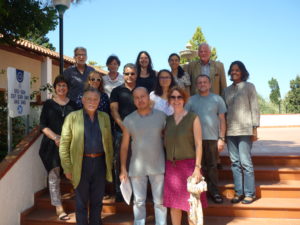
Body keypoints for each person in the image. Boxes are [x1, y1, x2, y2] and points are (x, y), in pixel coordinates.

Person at [59, 87, 113, 225]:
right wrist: (67, 168)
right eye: (88, 99)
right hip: (81, 163)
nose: (92, 102)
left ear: (99, 101)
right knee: (81, 202)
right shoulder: (72, 117)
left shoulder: (105, 117)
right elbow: (64, 145)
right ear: (82, 100)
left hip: (100, 163)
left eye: (95, 99)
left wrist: (110, 165)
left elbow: (109, 143)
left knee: (97, 201)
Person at [119, 87, 167, 225]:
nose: (140, 100)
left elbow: (169, 139)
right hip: (137, 167)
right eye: (137, 97)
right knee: (138, 202)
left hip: (158, 165)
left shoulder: (161, 116)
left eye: (143, 96)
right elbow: (124, 146)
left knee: (160, 202)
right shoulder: (129, 119)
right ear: (133, 101)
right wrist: (123, 168)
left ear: (148, 97)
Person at [163, 86, 207, 225]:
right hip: (171, 167)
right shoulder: (167, 120)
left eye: (179, 97)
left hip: (189, 167)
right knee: (174, 206)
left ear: (184, 99)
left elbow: (199, 144)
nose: (176, 100)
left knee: (191, 205)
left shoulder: (193, 117)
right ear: (169, 100)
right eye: (173, 97)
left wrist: (197, 168)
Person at [39, 75, 77, 221]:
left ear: (68, 88)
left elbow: (77, 125)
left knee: (73, 172)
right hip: (51, 144)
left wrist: (67, 140)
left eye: (64, 86)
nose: (62, 88)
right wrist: (55, 137)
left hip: (70, 145)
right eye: (59, 85)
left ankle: (79, 202)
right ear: (55, 87)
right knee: (54, 175)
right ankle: (58, 207)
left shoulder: (73, 105)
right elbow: (43, 125)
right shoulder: (48, 104)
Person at [222, 61, 260, 204]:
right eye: (232, 70)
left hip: (245, 130)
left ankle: (250, 193)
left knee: (245, 162)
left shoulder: (249, 87)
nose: (234, 72)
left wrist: (255, 129)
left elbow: (255, 108)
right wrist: (223, 133)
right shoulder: (226, 91)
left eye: (237, 70)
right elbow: (223, 113)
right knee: (235, 163)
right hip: (230, 131)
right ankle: (239, 192)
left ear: (242, 72)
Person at [185, 75, 227, 204]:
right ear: (196, 85)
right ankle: (200, 193)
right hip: (195, 140)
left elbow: (222, 120)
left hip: (212, 138)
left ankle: (214, 192)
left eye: (205, 82)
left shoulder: (217, 99)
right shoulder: (191, 101)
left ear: (209, 84)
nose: (202, 84)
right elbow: (185, 119)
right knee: (198, 166)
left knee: (212, 166)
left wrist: (221, 138)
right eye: (199, 82)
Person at [110, 63, 137, 201]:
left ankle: (135, 192)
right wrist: (123, 126)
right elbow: (114, 110)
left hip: (139, 133)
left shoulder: (141, 91)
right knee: (120, 161)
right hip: (121, 131)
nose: (129, 76)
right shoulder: (117, 91)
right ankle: (120, 192)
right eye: (127, 73)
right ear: (123, 75)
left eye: (132, 73)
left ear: (136, 75)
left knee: (136, 161)